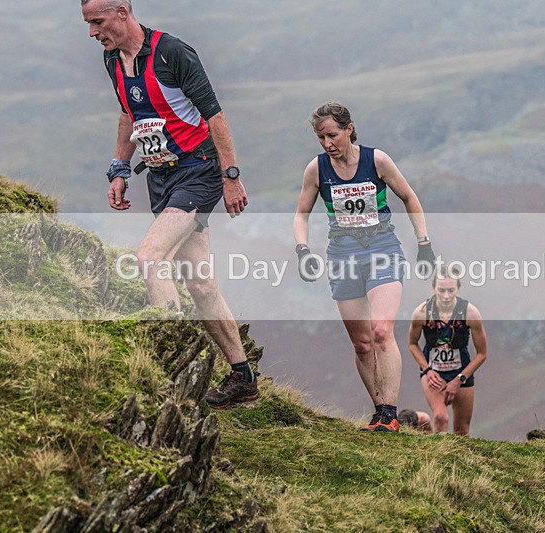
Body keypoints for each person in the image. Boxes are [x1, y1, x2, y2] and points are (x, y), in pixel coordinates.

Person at [81, 0, 257, 408]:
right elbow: (129, 113)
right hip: (160, 178)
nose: (92, 33)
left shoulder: (172, 53)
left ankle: (173, 373)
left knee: (150, 257)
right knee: (199, 283)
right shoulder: (113, 60)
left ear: (122, 11)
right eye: (88, 24)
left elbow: (215, 116)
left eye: (97, 22)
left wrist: (230, 178)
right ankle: (243, 378)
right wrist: (119, 167)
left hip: (198, 170)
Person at [293, 102, 436, 433]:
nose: (328, 144)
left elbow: (410, 198)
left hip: (382, 248)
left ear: (349, 129)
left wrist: (424, 243)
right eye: (320, 138)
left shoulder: (377, 161)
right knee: (361, 343)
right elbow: (301, 213)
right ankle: (378, 412)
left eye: (332, 135)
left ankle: (390, 413)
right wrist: (302, 250)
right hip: (342, 254)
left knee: (382, 331)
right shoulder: (316, 169)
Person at [408, 267, 487, 436]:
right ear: (433, 288)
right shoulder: (421, 312)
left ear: (458, 289)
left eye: (451, 290)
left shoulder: (470, 313)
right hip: (433, 372)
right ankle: (438, 458)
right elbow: (413, 344)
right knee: (440, 417)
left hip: (462, 371)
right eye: (441, 290)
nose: (446, 296)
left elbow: (482, 354)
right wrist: (427, 370)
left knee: (462, 429)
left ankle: (460, 461)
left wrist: (459, 379)